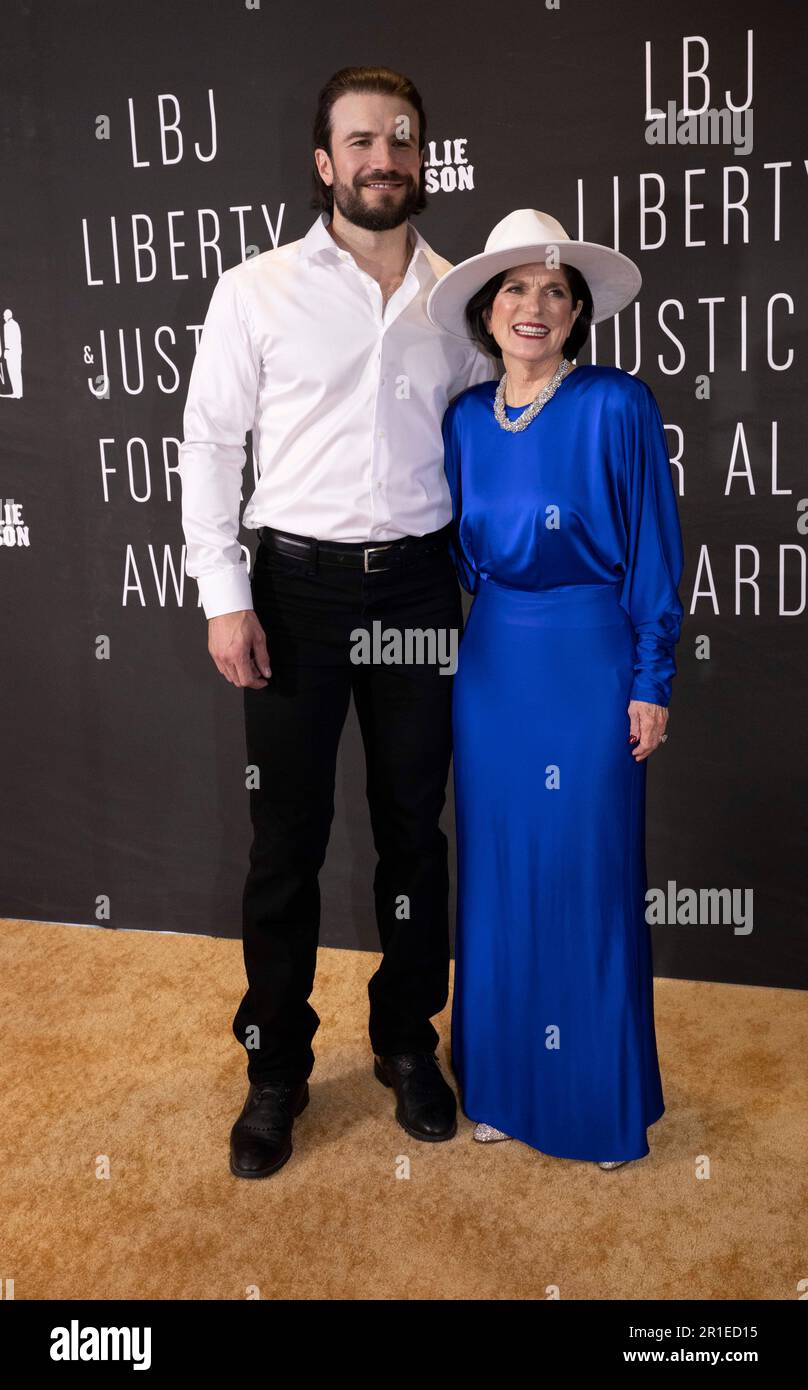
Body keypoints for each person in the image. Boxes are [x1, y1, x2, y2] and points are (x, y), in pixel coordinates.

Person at [177, 67, 497, 1179]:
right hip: (295, 592)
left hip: (415, 590)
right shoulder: (254, 289)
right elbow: (212, 444)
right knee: (287, 842)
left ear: (423, 160)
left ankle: (409, 1044)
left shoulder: (465, 301)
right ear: (325, 162)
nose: (381, 158)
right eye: (359, 140)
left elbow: (497, 437)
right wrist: (225, 594)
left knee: (415, 830)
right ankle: (276, 1070)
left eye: (400, 141)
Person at [426, 208, 685, 1170]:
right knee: (497, 878)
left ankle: (597, 1102)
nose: (535, 307)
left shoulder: (618, 404)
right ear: (488, 313)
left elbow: (655, 551)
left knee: (588, 876)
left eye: (555, 291)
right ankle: (499, 1084)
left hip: (590, 659)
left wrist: (649, 676)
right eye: (516, 291)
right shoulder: (463, 419)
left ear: (577, 313)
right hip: (494, 664)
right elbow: (459, 549)